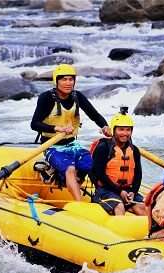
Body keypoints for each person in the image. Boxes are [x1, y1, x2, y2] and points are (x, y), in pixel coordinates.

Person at [30, 64, 111, 201]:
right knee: (70, 169)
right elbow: (34, 124)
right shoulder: (46, 98)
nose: (68, 83)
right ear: (57, 81)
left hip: (73, 144)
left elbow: (94, 115)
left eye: (71, 79)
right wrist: (57, 129)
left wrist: (105, 126)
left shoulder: (77, 96)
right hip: (52, 145)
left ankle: (97, 194)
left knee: (91, 166)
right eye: (64, 79)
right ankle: (78, 203)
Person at [90, 107, 145, 216]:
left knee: (143, 208)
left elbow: (138, 175)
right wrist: (120, 192)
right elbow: (99, 175)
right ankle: (121, 230)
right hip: (106, 189)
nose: (125, 133)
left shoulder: (134, 150)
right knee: (119, 206)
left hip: (127, 190)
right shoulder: (104, 148)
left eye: (128, 130)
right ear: (114, 130)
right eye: (121, 129)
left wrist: (133, 192)